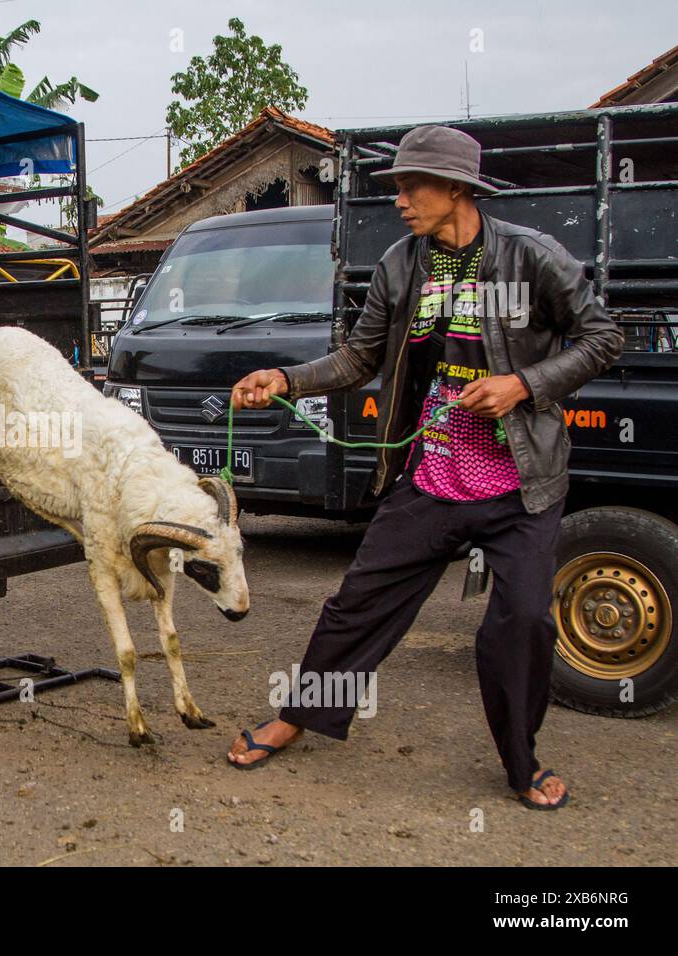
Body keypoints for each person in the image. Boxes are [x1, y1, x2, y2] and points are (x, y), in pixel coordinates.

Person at [226, 125, 623, 810]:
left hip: (520, 480)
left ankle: (522, 762)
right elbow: (359, 359)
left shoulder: (531, 258)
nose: (401, 199)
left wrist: (522, 385)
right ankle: (298, 716)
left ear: (457, 189)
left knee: (523, 621)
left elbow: (603, 337)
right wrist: (285, 379)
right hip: (433, 473)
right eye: (399, 187)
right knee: (358, 605)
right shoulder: (400, 265)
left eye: (414, 187)